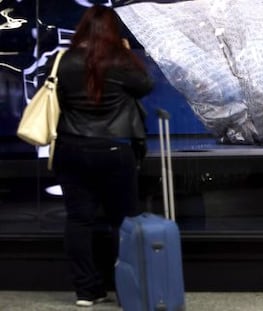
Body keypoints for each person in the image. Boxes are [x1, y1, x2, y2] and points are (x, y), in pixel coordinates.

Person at [50, 4, 153, 307]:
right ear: (113, 31)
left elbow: (53, 95)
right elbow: (146, 86)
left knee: (79, 220)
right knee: (122, 222)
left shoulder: (64, 60)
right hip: (114, 150)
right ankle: (127, 289)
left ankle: (86, 291)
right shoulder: (120, 61)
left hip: (71, 148)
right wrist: (127, 52)